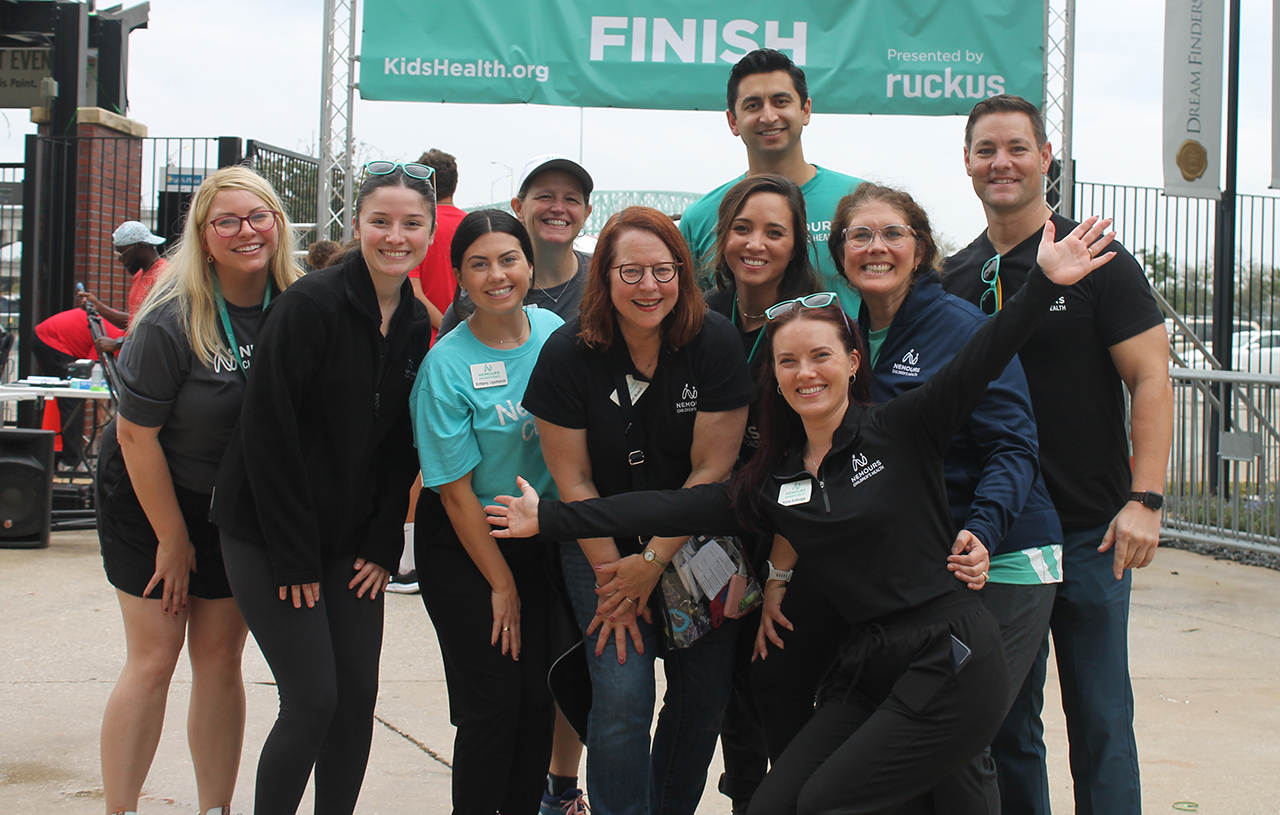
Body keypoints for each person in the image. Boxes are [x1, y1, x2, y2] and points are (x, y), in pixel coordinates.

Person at [491, 215, 1119, 815]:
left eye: (820, 356)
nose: (805, 373)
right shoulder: (776, 481)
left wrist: (1044, 284)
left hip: (949, 654)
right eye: (787, 361)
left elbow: (984, 355)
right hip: (872, 662)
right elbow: (675, 502)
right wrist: (550, 519)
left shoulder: (903, 428)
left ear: (852, 362)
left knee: (830, 803)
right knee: (775, 805)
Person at [942, 95, 1173, 815]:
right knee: (1006, 726)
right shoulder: (958, 276)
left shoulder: (1097, 255)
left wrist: (1145, 500)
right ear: (967, 162)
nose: (1001, 163)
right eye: (986, 150)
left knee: (1101, 722)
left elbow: (1151, 377)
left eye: (1017, 148)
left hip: (1090, 532)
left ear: (1045, 158)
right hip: (1002, 542)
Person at [831, 180, 1065, 810]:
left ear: (921, 248)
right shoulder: (848, 337)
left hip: (1003, 555)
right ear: (840, 252)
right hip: (930, 566)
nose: (876, 247)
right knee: (950, 740)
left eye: (893, 234)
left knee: (956, 738)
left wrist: (984, 529)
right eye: (860, 235)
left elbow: (1013, 444)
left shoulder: (959, 327)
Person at [210, 161, 434, 814]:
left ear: (429, 232)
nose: (396, 236)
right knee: (312, 699)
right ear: (357, 225)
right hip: (269, 532)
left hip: (351, 539)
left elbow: (398, 445)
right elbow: (267, 434)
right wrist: (295, 555)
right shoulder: (311, 304)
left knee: (356, 697)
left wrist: (382, 542)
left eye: (411, 223)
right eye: (381, 221)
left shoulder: (414, 321)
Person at [522, 206, 754, 815]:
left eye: (663, 270)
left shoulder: (714, 341)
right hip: (598, 544)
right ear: (604, 275)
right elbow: (573, 478)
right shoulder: (569, 351)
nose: (649, 286)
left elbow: (711, 471)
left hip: (694, 539)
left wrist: (650, 564)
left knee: (703, 696)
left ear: (682, 271)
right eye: (631, 272)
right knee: (622, 693)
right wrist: (614, 578)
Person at [95, 166, 304, 815]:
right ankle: (120, 807)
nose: (246, 231)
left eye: (258, 216)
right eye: (227, 221)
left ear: (278, 224)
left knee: (218, 657)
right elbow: (136, 437)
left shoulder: (299, 306)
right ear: (204, 237)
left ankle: (216, 808)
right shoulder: (172, 316)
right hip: (151, 493)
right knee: (155, 657)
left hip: (235, 506)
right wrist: (172, 539)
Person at [412, 209, 563, 815]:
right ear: (459, 277)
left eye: (508, 260)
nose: (497, 275)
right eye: (479, 264)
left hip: (540, 540)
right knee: (493, 704)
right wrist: (501, 584)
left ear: (530, 266)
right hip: (465, 545)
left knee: (538, 699)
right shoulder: (445, 367)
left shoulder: (553, 331)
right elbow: (454, 494)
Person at [679, 48, 863, 316]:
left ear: (805, 110)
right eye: (753, 105)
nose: (768, 116)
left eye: (780, 101)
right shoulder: (700, 218)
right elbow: (687, 317)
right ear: (733, 121)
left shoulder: (860, 202)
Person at [439, 153, 594, 339]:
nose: (558, 208)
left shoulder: (605, 277)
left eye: (571, 199)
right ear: (518, 208)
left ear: (586, 213)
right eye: (545, 196)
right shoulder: (478, 297)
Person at [31, 307, 125, 467]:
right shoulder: (114, 338)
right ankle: (71, 460)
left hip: (52, 335)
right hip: (50, 339)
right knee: (71, 397)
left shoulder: (121, 333)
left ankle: (61, 454)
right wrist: (102, 409)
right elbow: (94, 373)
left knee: (65, 397)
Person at [76, 220, 169, 355]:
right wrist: (97, 306)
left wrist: (118, 343)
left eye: (122, 253)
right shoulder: (139, 275)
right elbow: (134, 323)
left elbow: (155, 330)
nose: (120, 260)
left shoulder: (163, 276)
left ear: (140, 245)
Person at [406, 148, 466, 343]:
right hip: (471, 338)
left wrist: (446, 328)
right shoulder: (473, 227)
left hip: (427, 340)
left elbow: (414, 292)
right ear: (455, 184)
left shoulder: (415, 228)